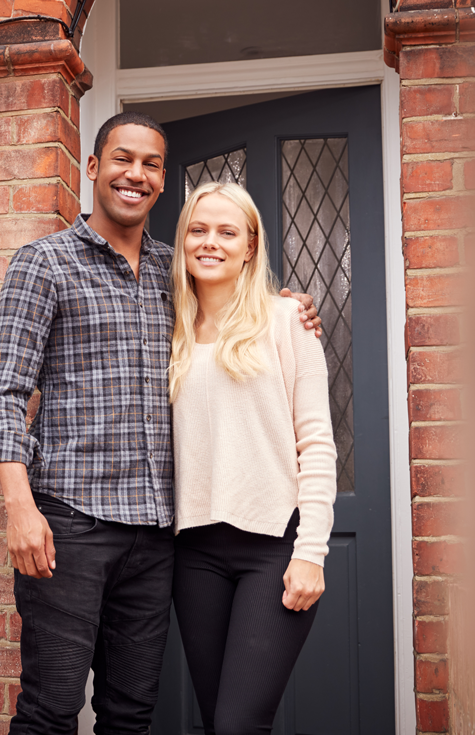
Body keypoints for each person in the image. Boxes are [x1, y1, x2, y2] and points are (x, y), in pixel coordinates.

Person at [0, 111, 322, 735]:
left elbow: (237, 301)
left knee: (130, 715)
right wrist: (19, 508)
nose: (135, 174)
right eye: (122, 159)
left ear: (162, 181)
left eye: (151, 164)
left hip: (157, 536)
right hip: (71, 526)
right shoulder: (44, 264)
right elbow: (3, 393)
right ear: (93, 167)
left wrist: (289, 307)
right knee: (51, 707)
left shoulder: (176, 274)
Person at [169, 182, 337, 735]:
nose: (210, 242)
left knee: (240, 723)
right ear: (183, 240)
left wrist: (310, 552)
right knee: (219, 722)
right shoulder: (166, 329)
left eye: (226, 231)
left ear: (250, 244)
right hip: (194, 553)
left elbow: (315, 443)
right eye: (198, 230)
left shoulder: (287, 321)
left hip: (273, 548)